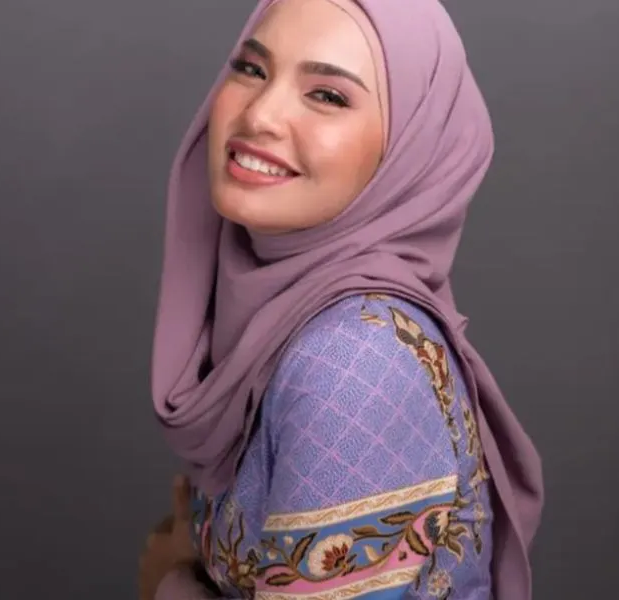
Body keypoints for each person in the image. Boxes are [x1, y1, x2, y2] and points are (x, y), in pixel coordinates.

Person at [139, 0, 544, 597]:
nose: (260, 114)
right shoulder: (276, 321)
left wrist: (169, 583)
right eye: (251, 69)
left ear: (407, 149)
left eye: (327, 96)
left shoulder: (352, 359)